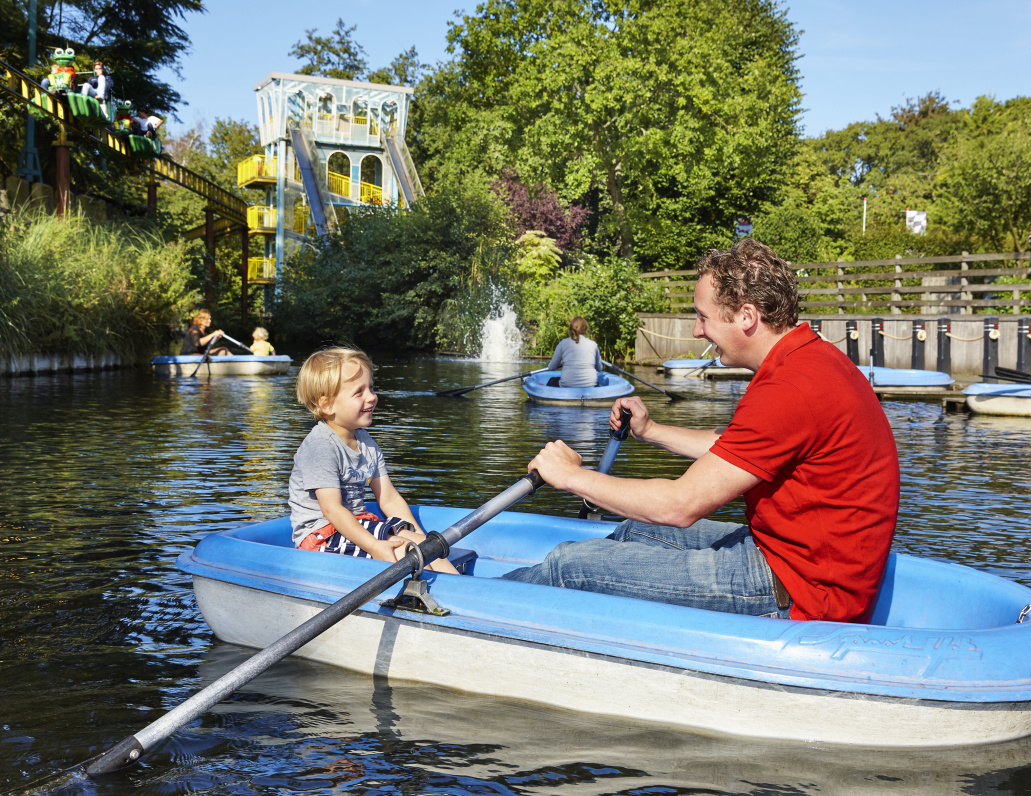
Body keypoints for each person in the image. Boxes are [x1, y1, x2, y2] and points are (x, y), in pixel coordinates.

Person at [502, 239, 900, 623]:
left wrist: (569, 475)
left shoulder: (791, 387)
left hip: (801, 590)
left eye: (703, 316)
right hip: (791, 559)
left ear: (746, 316)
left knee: (571, 565)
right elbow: (732, 449)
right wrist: (651, 429)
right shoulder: (808, 359)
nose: (696, 331)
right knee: (633, 529)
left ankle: (469, 601)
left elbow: (679, 506)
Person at [288, 347, 455, 572]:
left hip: (355, 524)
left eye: (371, 388)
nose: (372, 397)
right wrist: (375, 546)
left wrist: (421, 535)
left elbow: (389, 498)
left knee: (424, 546)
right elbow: (333, 510)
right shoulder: (320, 447)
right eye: (359, 392)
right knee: (404, 551)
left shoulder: (365, 441)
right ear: (327, 405)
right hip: (321, 538)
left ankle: (467, 592)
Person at [545, 316, 602, 388]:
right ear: (585, 329)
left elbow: (551, 367)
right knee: (598, 383)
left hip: (566, 385)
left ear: (570, 329)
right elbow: (600, 369)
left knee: (552, 381)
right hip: (590, 385)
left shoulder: (563, 343)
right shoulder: (594, 345)